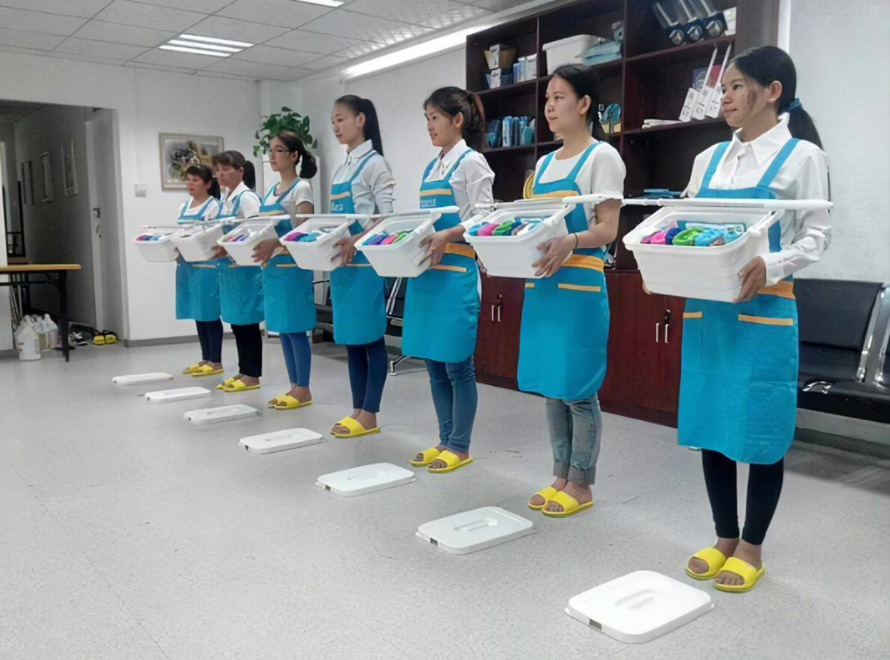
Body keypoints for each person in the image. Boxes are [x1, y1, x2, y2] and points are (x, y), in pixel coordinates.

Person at [680, 46, 830, 592]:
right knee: (712, 424)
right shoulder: (708, 160)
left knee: (761, 428)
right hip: (709, 308)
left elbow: (817, 236)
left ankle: (751, 547)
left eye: (737, 86)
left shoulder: (802, 157)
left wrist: (772, 264)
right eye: (723, 88)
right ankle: (724, 537)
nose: (724, 97)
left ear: (772, 92)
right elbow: (685, 220)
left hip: (767, 306)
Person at [521, 65, 625, 518]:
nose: (549, 106)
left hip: (580, 283)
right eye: (547, 98)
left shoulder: (603, 157)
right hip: (544, 283)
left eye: (559, 97)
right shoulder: (544, 164)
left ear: (585, 104)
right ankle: (559, 475)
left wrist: (571, 241)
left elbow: (609, 228)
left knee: (579, 389)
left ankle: (581, 482)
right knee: (552, 385)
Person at [405, 87, 493, 474]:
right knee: (434, 362)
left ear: (457, 120)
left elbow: (485, 217)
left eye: (435, 117)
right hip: (428, 273)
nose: (429, 126)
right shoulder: (432, 167)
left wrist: (447, 234)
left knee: (457, 364)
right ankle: (443, 439)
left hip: (457, 270)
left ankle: (460, 444)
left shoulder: (471, 162)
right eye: (426, 118)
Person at [328, 95, 397, 438]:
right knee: (351, 340)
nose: (336, 126)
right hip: (342, 265)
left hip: (366, 264)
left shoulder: (375, 164)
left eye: (341, 119)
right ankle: (357, 408)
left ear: (360, 120)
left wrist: (356, 240)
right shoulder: (342, 167)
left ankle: (370, 412)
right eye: (333, 121)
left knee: (370, 339)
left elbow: (386, 218)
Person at [252, 132, 318, 410]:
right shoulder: (270, 192)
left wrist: (276, 243)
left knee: (296, 327)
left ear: (294, 155)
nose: (272, 156)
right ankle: (293, 386)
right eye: (271, 150)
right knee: (283, 329)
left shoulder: (302, 188)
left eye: (279, 150)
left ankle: (303, 388)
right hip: (272, 268)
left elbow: (304, 230)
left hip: (292, 267)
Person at [212, 150, 264, 393]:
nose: (221, 174)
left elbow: (255, 232)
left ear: (240, 170)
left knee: (248, 322)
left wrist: (229, 247)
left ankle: (252, 375)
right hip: (230, 269)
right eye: (218, 170)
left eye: (226, 169)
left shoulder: (247, 198)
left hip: (245, 270)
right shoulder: (226, 198)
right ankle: (244, 370)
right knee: (236, 322)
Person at [176, 164, 223, 377]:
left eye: (195, 180)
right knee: (197, 310)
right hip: (188, 265)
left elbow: (214, 235)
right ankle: (205, 357)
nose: (190, 184)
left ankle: (216, 360)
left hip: (208, 265)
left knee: (209, 311)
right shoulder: (183, 207)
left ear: (207, 184)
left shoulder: (214, 207)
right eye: (188, 179)